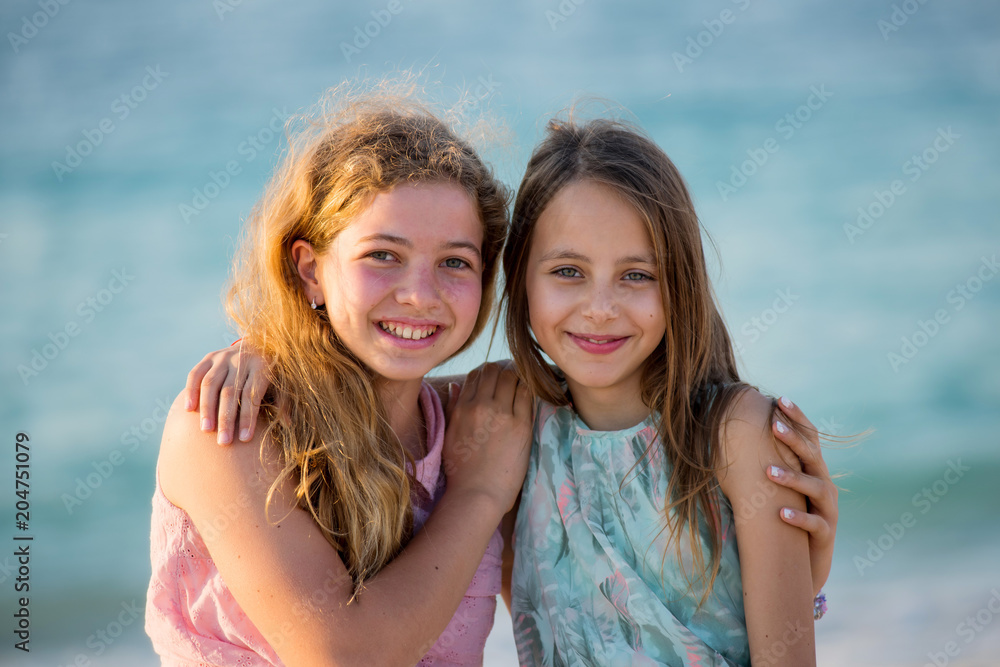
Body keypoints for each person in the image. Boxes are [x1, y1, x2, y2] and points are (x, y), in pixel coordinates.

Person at [146, 86, 535, 666]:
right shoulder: (230, 425)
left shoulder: (480, 425)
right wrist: (478, 495)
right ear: (310, 271)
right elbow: (346, 656)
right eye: (383, 255)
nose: (419, 295)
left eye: (455, 261)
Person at [502, 115, 827, 664]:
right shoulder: (509, 426)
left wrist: (806, 581)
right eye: (567, 271)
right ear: (519, 278)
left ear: (679, 282)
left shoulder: (737, 434)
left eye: (637, 275)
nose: (601, 308)